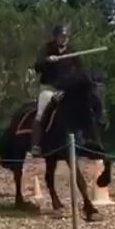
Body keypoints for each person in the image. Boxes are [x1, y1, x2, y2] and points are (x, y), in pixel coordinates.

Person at [29, 23, 79, 156]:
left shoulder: (72, 51)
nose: (64, 39)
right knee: (41, 113)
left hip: (66, 89)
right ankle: (36, 145)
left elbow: (80, 69)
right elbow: (37, 67)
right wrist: (47, 60)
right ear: (56, 37)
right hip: (49, 88)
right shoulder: (47, 48)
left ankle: (82, 141)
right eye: (62, 36)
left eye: (66, 37)